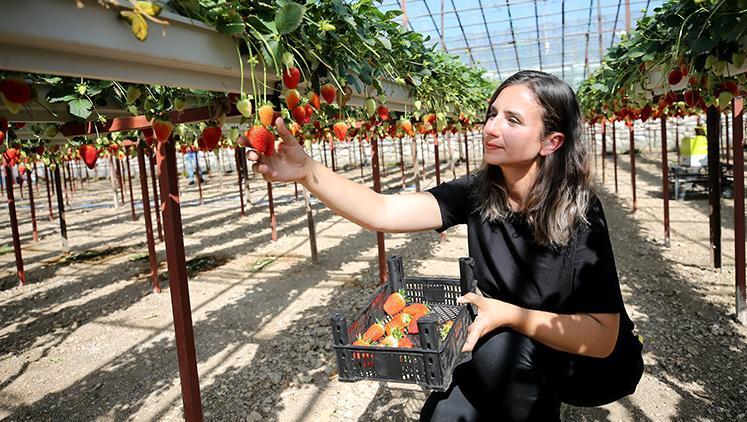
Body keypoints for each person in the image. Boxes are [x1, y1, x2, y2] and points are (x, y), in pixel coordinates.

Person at [247, 70, 643, 421]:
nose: (491, 127)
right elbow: (383, 210)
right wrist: (307, 172)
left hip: (591, 364)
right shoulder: (477, 193)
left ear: (550, 142)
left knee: (495, 350)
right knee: (444, 412)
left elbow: (602, 336)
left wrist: (509, 314)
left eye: (512, 120)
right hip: (503, 336)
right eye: (492, 113)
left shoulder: (578, 211)